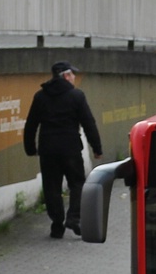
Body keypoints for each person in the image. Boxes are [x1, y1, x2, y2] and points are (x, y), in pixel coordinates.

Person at [23, 61, 103, 239]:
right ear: (66, 76)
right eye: (72, 74)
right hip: (70, 150)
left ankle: (57, 224)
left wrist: (30, 148)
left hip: (48, 150)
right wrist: (96, 148)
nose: (74, 77)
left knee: (51, 187)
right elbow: (89, 123)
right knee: (77, 184)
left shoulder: (40, 97)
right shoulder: (76, 96)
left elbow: (31, 125)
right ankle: (74, 217)